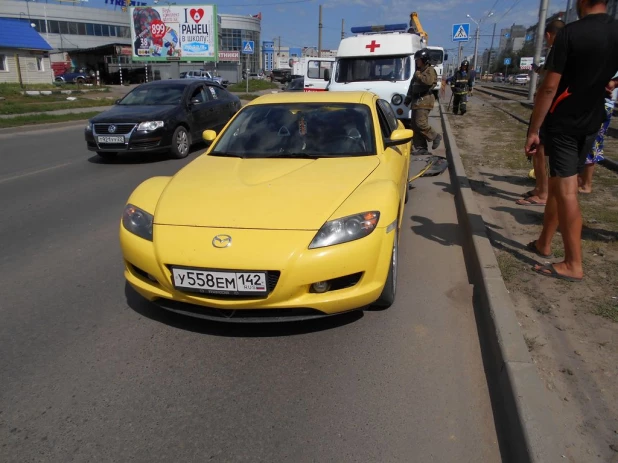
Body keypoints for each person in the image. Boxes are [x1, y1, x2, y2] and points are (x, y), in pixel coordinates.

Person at [524, 0, 618, 282]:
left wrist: (534, 129)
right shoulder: (616, 30)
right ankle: (544, 242)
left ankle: (573, 263)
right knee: (558, 184)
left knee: (565, 191)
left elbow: (549, 86)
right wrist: (611, 82)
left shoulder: (571, 33)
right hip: (592, 119)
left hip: (565, 122)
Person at [517, 19, 565, 206]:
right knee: (541, 151)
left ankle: (543, 193)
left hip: (548, 110)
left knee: (538, 149)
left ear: (548, 35)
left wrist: (534, 128)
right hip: (558, 110)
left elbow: (549, 87)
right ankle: (540, 188)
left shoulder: (557, 51)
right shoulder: (568, 52)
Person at [404, 48, 442, 155]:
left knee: (420, 124)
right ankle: (421, 148)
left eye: (418, 60)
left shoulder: (429, 70)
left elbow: (428, 81)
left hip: (424, 100)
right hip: (416, 101)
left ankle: (435, 136)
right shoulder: (419, 72)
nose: (417, 62)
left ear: (424, 59)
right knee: (415, 126)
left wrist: (418, 75)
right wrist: (408, 98)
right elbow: (412, 86)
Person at [578, 95, 615, 193]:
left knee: (592, 144)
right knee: (586, 143)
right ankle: (581, 180)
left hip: (600, 104)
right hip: (596, 102)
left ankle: (586, 184)